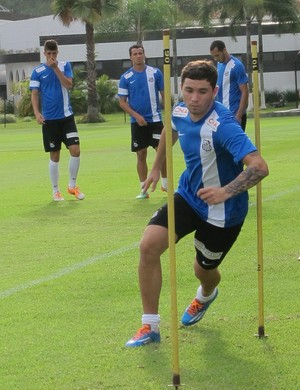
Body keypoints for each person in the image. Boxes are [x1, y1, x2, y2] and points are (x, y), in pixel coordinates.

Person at [125, 60, 269, 347]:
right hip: (188, 197)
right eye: (189, 90)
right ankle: (150, 326)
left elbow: (260, 167)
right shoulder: (180, 110)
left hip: (224, 211)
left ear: (214, 91)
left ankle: (205, 294)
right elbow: (171, 130)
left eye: (202, 92)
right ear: (181, 88)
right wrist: (156, 167)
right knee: (148, 245)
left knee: (203, 270)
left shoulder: (223, 125)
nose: (194, 98)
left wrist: (226, 192)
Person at [29, 39, 84, 201]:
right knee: (55, 154)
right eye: (49, 53)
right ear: (44, 53)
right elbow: (34, 94)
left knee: (76, 150)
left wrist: (56, 69)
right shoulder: (37, 71)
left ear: (57, 53)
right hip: (50, 119)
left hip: (67, 117)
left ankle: (72, 186)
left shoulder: (65, 66)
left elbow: (68, 85)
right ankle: (55, 191)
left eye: (54, 53)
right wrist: (37, 113)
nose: (51, 56)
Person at [118, 44, 167, 199]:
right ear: (130, 57)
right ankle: (143, 189)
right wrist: (136, 116)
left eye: (141, 53)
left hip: (155, 120)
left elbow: (164, 94)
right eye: (135, 54)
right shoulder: (126, 77)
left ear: (144, 55)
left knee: (162, 152)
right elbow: (122, 102)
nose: (138, 56)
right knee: (141, 154)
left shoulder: (155, 73)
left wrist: (169, 113)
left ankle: (166, 185)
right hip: (137, 122)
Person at [210, 40, 249, 131]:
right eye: (214, 56)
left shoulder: (236, 66)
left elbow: (245, 91)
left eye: (217, 55)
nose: (216, 58)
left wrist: (239, 115)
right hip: (222, 114)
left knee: (235, 144)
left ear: (224, 50)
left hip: (234, 114)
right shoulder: (219, 64)